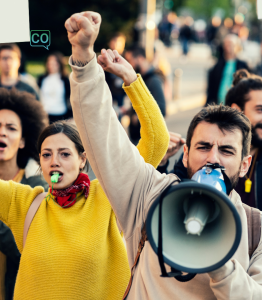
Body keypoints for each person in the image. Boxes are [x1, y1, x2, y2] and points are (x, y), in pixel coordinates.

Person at [68, 12, 262, 299]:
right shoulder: (149, 194)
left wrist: (220, 264)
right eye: (203, 147)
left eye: (226, 150)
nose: (213, 159)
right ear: (185, 155)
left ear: (245, 163)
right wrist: (84, 58)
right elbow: (104, 137)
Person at [0, 23, 171, 298]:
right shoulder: (25, 203)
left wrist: (131, 79)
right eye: (46, 155)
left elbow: (157, 141)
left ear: (83, 159)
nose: (54, 162)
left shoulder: (108, 196)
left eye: (64, 154)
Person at [158, 69, 262, 290]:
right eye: (261, 110)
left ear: (245, 164)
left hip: (258, 281)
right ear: (238, 110)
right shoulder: (201, 161)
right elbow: (167, 202)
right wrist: (161, 162)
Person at [0, 88, 48, 300]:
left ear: (22, 141)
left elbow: (23, 249)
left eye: (11, 128)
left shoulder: (36, 189)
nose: (2, 132)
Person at [125, 45, 166, 144]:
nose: (129, 65)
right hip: (139, 138)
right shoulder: (142, 79)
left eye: (130, 61)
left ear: (140, 58)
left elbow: (161, 109)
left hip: (146, 141)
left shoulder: (153, 80)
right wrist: (130, 111)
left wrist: (138, 117)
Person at [206, 34, 249, 105]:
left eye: (231, 44)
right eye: (226, 44)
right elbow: (211, 88)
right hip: (220, 104)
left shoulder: (243, 65)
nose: (228, 47)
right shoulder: (217, 65)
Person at [37, 52, 73, 123]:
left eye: (54, 63)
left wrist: (71, 115)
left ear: (60, 64)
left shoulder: (65, 80)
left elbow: (70, 98)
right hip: (45, 114)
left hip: (61, 114)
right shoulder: (42, 79)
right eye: (49, 63)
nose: (51, 66)